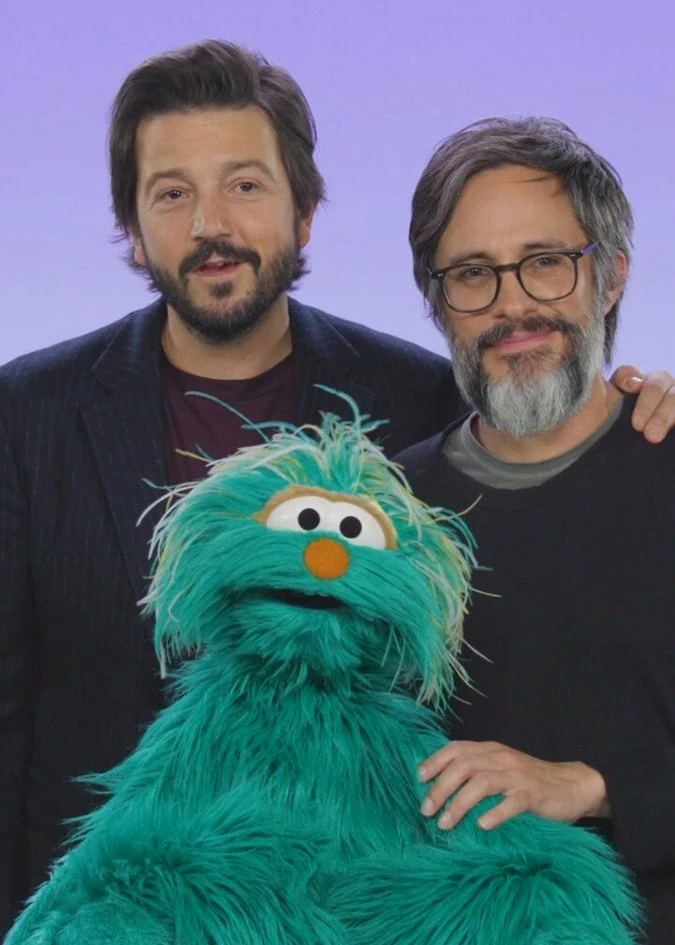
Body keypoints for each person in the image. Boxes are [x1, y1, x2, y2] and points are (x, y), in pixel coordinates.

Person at [0, 42, 671, 938]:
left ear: (306, 211)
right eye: (170, 193)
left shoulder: (416, 403)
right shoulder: (26, 413)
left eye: (244, 184)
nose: (210, 224)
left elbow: (548, 430)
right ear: (131, 224)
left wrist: (640, 412)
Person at [397, 116, 675, 944]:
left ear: (610, 276)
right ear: (437, 303)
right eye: (472, 274)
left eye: (545, 262)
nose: (512, 304)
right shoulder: (391, 511)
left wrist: (592, 784)